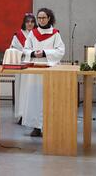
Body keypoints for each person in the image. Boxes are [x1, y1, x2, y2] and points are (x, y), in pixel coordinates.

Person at [23, 8, 65, 136]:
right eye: (39, 18)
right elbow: (25, 49)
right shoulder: (33, 33)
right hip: (35, 69)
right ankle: (36, 126)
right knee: (35, 98)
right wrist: (32, 53)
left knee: (48, 97)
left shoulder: (55, 34)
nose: (41, 20)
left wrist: (45, 53)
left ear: (49, 18)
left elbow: (60, 51)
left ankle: (49, 125)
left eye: (43, 18)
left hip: (49, 69)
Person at [10, 13, 37, 124]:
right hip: (22, 66)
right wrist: (22, 53)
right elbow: (13, 49)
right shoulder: (18, 35)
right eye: (27, 21)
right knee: (21, 91)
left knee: (32, 91)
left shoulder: (38, 34)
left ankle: (32, 115)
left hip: (34, 66)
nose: (29, 24)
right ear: (24, 23)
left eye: (32, 21)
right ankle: (21, 115)